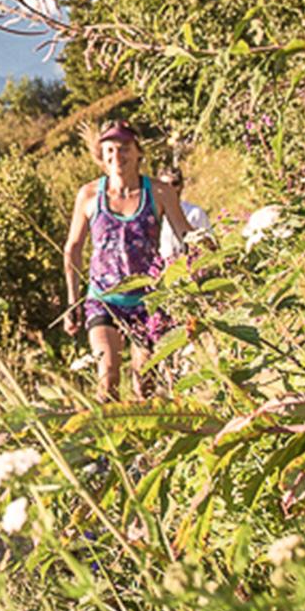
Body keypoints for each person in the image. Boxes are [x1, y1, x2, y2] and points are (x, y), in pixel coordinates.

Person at [61, 121, 192, 401]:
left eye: (124, 149)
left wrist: (206, 259)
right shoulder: (89, 195)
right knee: (107, 376)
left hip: (148, 300)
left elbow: (186, 236)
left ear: (138, 153)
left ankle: (144, 442)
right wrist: (73, 300)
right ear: (101, 155)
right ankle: (105, 440)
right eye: (109, 150)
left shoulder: (158, 193)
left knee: (143, 382)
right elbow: (73, 248)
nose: (116, 156)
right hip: (103, 298)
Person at [157, 163, 214, 258]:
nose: (170, 188)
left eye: (174, 184)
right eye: (165, 185)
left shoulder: (195, 213)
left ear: (182, 185)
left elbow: (210, 246)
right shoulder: (152, 215)